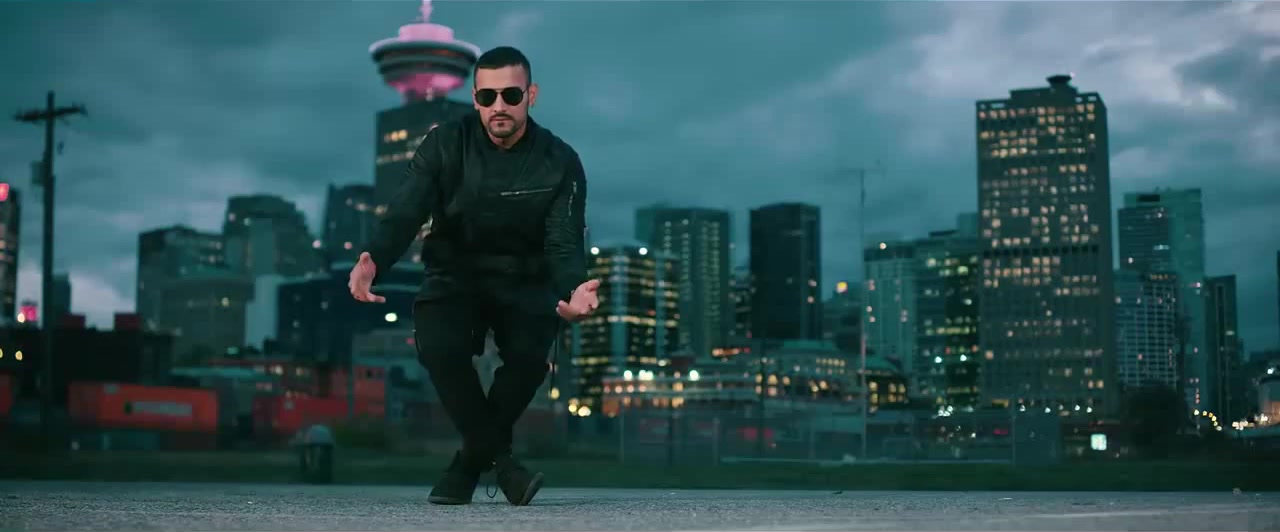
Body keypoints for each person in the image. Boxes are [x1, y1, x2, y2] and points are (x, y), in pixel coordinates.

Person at [347, 46, 599, 506]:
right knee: (438, 346)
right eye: (487, 96)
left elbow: (563, 241)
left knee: (529, 361)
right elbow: (406, 210)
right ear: (475, 98)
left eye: (510, 95)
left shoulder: (561, 160)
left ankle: (465, 468)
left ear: (531, 95)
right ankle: (503, 464)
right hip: (454, 272)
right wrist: (374, 261)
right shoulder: (444, 144)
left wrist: (574, 288)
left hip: (524, 278)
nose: (498, 106)